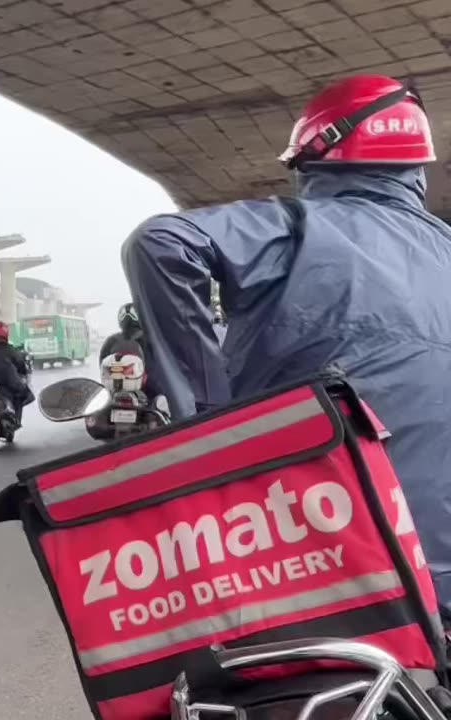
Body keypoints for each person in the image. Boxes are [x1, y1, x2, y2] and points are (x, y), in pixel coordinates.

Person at [121, 74, 451, 619]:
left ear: (313, 159)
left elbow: (161, 243)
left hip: (327, 568)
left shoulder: (298, 226)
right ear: (416, 167)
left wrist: (211, 425)